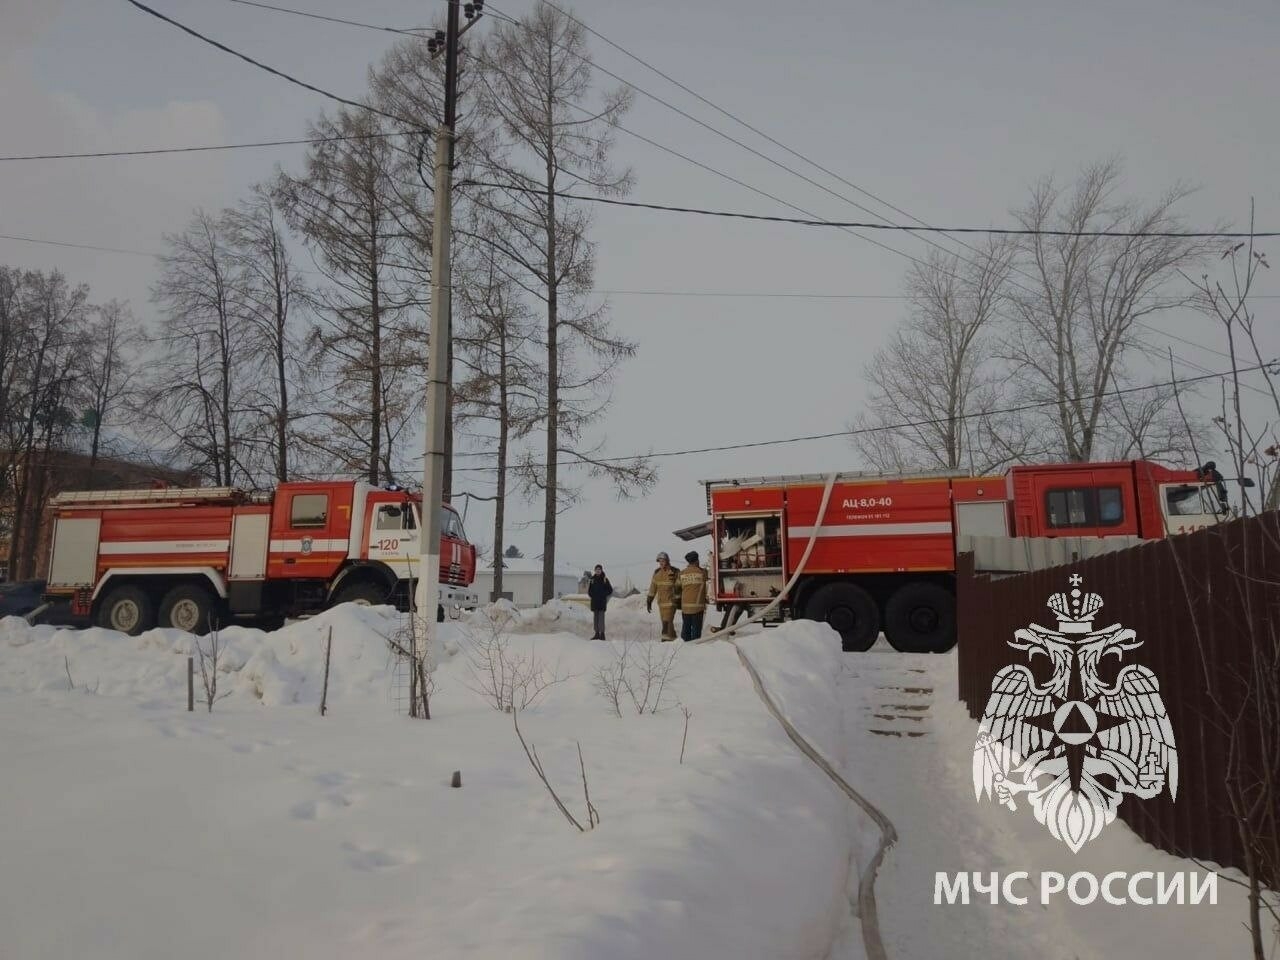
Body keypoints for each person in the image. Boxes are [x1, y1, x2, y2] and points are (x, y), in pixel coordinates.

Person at [647, 552, 680, 641]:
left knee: (666, 622)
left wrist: (678, 599)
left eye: (663, 561)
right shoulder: (657, 573)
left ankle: (665, 640)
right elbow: (653, 587)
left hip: (671, 603)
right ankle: (673, 639)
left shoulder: (675, 571)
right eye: (659, 561)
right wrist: (649, 600)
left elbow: (679, 586)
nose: (661, 563)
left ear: (667, 561)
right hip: (661, 604)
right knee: (666, 622)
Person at [677, 550, 708, 641]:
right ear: (697, 560)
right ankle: (694, 650)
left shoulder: (681, 573)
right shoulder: (702, 573)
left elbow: (677, 588)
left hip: (685, 608)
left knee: (686, 629)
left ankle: (685, 648)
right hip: (697, 607)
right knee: (696, 632)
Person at [587, 565, 612, 640]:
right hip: (594, 602)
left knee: (601, 619)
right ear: (595, 570)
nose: (598, 571)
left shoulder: (605, 579)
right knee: (596, 619)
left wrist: (603, 594)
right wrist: (592, 595)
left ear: (601, 570)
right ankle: (596, 634)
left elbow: (610, 590)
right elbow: (589, 590)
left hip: (602, 603)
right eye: (596, 569)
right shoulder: (592, 579)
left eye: (599, 569)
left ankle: (602, 634)